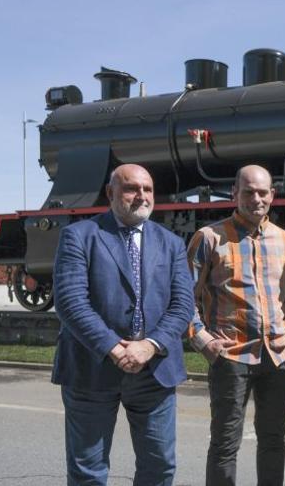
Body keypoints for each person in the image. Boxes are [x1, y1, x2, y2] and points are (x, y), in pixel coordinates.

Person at [52, 164, 194, 485]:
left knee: (159, 468)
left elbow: (183, 304)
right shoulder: (79, 236)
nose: (141, 196)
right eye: (131, 188)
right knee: (88, 472)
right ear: (110, 193)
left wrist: (149, 345)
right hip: (91, 369)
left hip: (154, 372)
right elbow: (71, 302)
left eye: (148, 189)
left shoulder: (171, 243)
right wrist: (114, 348)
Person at [187, 165, 285, 486]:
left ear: (272, 196)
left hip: (278, 357)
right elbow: (184, 299)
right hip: (231, 357)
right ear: (235, 194)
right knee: (225, 444)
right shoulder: (209, 239)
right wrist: (204, 342)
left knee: (273, 439)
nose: (256, 198)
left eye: (262, 192)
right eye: (248, 192)